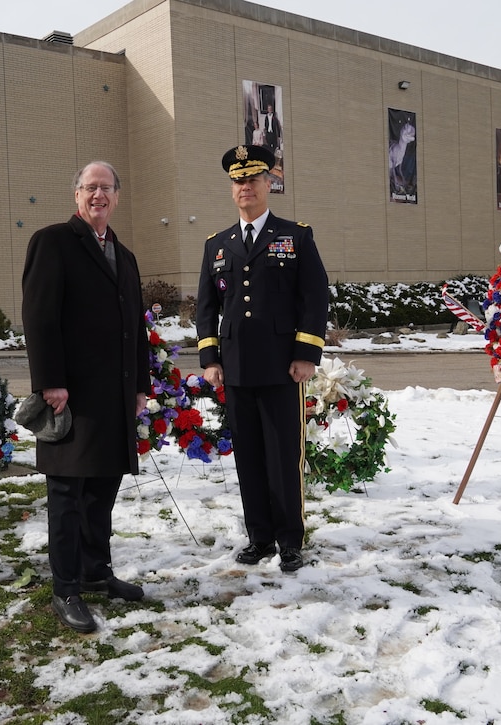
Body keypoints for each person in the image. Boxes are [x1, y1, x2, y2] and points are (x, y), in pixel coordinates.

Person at [21, 161, 150, 633]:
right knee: (68, 494)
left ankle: (97, 572)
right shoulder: (53, 241)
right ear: (76, 195)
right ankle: (66, 586)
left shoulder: (125, 254)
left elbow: (135, 329)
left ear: (117, 196)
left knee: (101, 492)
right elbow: (39, 316)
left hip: (113, 397)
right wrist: (49, 381)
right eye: (90, 187)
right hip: (69, 397)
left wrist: (140, 387)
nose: (99, 195)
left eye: (107, 188)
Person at [195, 144, 329, 573]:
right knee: (249, 457)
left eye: (252, 179)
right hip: (234, 369)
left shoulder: (296, 236)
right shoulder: (217, 244)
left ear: (269, 183)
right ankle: (259, 538)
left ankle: (290, 539)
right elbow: (205, 309)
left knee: (283, 456)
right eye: (237, 181)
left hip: (281, 367)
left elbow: (314, 298)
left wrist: (306, 354)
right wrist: (210, 359)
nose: (244, 188)